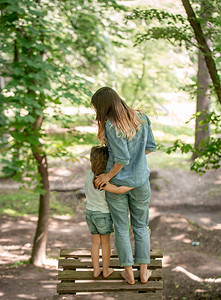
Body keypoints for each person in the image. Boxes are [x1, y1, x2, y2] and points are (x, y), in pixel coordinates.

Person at [91, 87, 156, 284]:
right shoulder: (142, 117)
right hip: (141, 182)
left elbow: (121, 159)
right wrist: (136, 164)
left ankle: (129, 274)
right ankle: (144, 273)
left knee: (120, 228)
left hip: (116, 182)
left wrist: (108, 176)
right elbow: (150, 147)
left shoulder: (112, 126)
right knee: (141, 227)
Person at [85, 145, 134, 278]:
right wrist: (133, 185)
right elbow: (118, 190)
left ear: (92, 161)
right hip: (103, 215)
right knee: (106, 243)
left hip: (89, 213)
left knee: (95, 242)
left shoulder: (89, 175)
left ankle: (96, 270)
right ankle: (105, 270)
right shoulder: (102, 180)